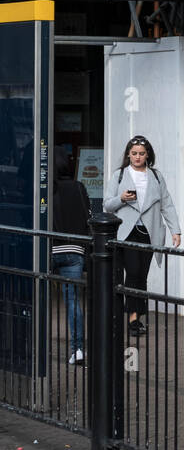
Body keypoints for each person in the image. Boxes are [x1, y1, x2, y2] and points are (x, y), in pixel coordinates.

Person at [104, 136, 181, 335]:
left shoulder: (155, 176)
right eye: (134, 153)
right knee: (133, 272)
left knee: (142, 275)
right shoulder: (119, 175)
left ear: (148, 156)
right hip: (126, 232)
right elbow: (107, 204)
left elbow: (167, 204)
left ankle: (136, 315)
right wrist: (121, 198)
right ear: (128, 154)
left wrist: (176, 230)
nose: (137, 157)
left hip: (149, 232)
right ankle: (133, 318)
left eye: (141, 154)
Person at [52, 148, 90, 365]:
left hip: (50, 248)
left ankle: (32, 344)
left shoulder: (47, 188)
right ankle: (77, 350)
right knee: (73, 301)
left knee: (35, 295)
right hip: (74, 250)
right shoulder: (78, 187)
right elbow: (88, 216)